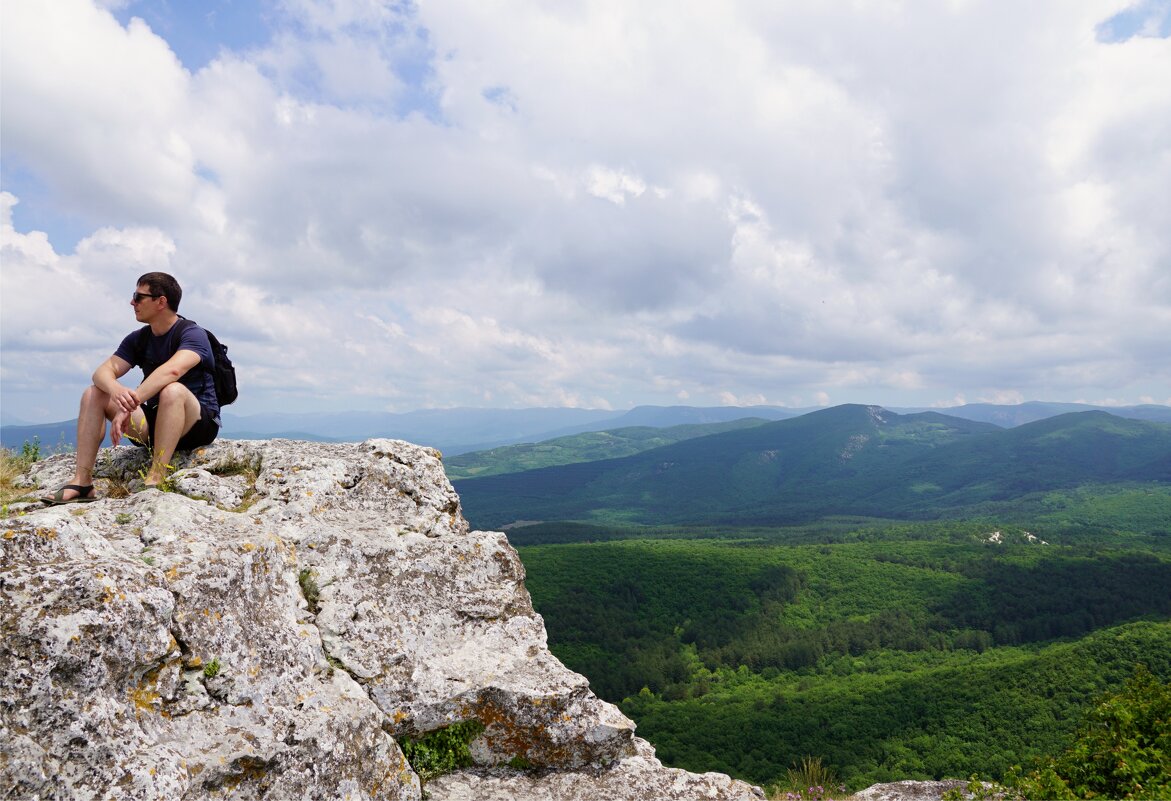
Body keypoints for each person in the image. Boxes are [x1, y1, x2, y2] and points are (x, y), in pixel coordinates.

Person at [43, 272, 221, 503]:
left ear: (161, 301)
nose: (132, 302)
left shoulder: (193, 334)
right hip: (157, 424)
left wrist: (129, 405)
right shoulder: (139, 339)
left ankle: (156, 478)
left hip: (196, 424)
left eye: (138, 296)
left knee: (172, 390)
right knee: (94, 393)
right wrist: (117, 391)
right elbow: (101, 373)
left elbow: (173, 371)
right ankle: (82, 483)